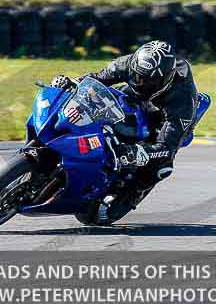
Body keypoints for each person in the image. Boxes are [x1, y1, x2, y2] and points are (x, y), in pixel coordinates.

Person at [50, 40, 199, 222]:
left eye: (147, 81)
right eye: (137, 76)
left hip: (164, 115)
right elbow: (95, 79)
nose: (141, 82)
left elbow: (166, 146)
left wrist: (138, 151)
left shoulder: (183, 99)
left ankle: (131, 195)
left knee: (162, 166)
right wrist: (71, 83)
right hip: (131, 96)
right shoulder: (128, 63)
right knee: (97, 100)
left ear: (165, 79)